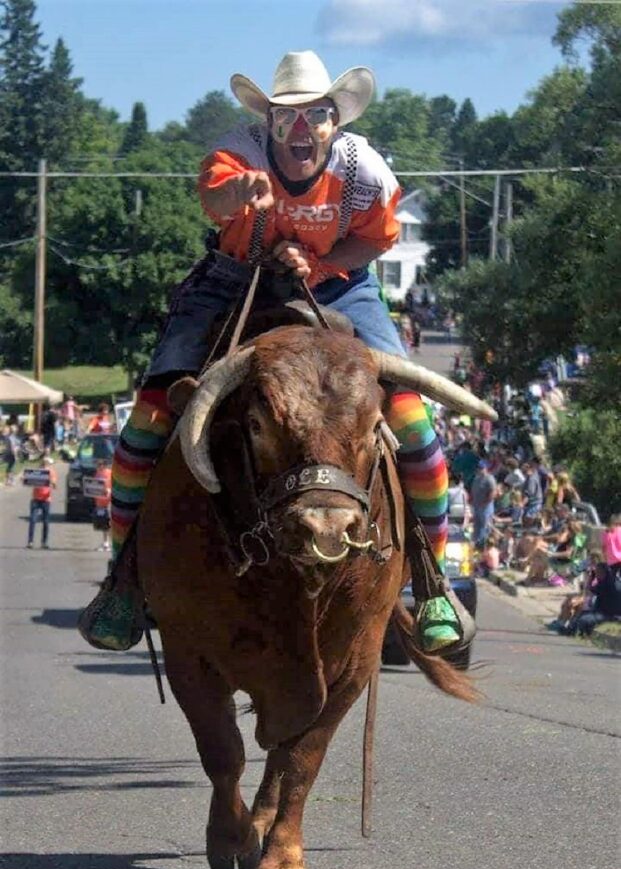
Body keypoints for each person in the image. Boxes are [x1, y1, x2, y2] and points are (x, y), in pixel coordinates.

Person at [79, 50, 468, 655]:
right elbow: (214, 200)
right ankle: (122, 580)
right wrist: (242, 191)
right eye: (286, 117)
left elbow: (373, 240)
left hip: (343, 283)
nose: (301, 130)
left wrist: (318, 263)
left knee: (413, 418)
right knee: (150, 417)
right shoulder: (239, 153)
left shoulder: (365, 170)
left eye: (315, 115)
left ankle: (433, 582)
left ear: (335, 121)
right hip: (234, 276)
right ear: (268, 122)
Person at [26, 456, 57, 549]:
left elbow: (54, 485)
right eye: (44, 463)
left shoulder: (52, 472)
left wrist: (51, 481)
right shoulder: (37, 472)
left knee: (46, 522)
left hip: (46, 499)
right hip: (36, 498)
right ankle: (30, 541)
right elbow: (29, 480)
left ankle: (44, 542)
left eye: (47, 463)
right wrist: (25, 479)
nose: (45, 464)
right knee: (32, 520)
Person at [470, 461, 496, 549]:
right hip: (477, 506)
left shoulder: (490, 479)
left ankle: (484, 546)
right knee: (477, 525)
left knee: (485, 526)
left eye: (481, 468)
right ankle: (476, 544)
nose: (479, 470)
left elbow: (492, 493)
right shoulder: (477, 478)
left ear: (485, 468)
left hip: (486, 508)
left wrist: (485, 502)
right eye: (478, 468)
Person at [92, 459, 112, 551]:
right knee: (103, 523)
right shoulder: (97, 474)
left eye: (100, 464)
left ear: (104, 465)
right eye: (97, 464)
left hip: (109, 502)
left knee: (109, 523)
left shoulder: (110, 473)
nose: (98, 466)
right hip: (99, 502)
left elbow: (115, 486)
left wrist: (110, 491)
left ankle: (110, 543)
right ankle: (105, 543)